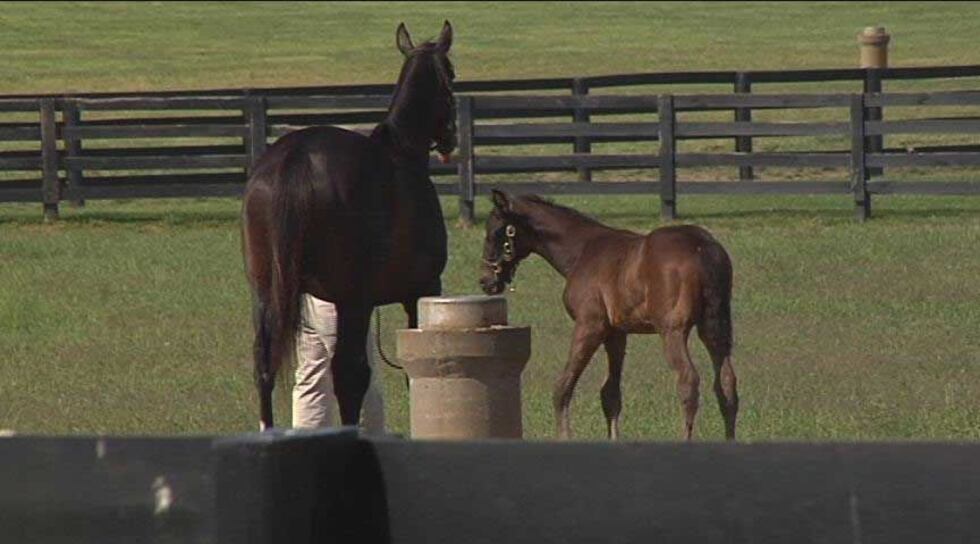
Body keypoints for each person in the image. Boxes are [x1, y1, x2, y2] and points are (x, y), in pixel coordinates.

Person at [292, 294, 386, 435]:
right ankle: (369, 448)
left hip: (308, 296)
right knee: (360, 384)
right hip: (340, 300)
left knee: (312, 382)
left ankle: (307, 451)